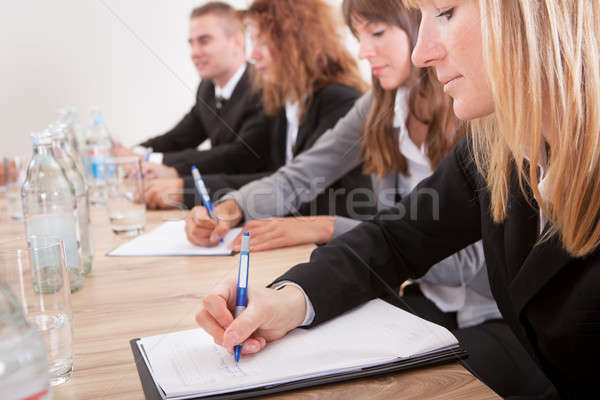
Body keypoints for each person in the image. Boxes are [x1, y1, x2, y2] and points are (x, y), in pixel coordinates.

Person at [194, 0, 600, 398]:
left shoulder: (469, 118)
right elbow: (396, 236)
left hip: (494, 326)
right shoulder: (492, 146)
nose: (422, 53)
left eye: (445, 11)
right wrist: (289, 300)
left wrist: (325, 225)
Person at [146, 0, 372, 215]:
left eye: (263, 42)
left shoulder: (339, 101)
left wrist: (186, 190)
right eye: (254, 42)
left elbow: (302, 190)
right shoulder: (286, 103)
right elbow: (273, 178)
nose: (253, 54)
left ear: (297, 44)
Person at [114, 2, 270, 207]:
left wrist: (160, 162)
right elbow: (179, 137)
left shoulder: (264, 88)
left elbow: (240, 155)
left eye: (204, 41)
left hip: (254, 200)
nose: (194, 52)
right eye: (191, 43)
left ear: (238, 42)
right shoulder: (207, 88)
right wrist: (136, 152)